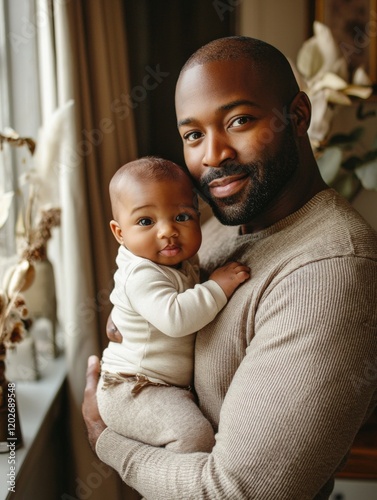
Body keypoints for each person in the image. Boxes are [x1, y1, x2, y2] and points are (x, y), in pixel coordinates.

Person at [83, 36, 377, 499]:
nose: (213, 155)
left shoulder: (331, 271)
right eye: (193, 135)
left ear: (297, 116)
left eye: (239, 121)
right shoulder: (217, 227)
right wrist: (133, 316)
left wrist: (107, 441)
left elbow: (236, 492)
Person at [97, 156, 250, 454]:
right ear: (119, 233)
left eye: (182, 217)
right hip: (133, 388)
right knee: (193, 435)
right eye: (145, 221)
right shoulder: (140, 272)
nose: (167, 231)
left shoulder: (180, 260)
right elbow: (175, 318)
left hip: (160, 388)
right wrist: (218, 287)